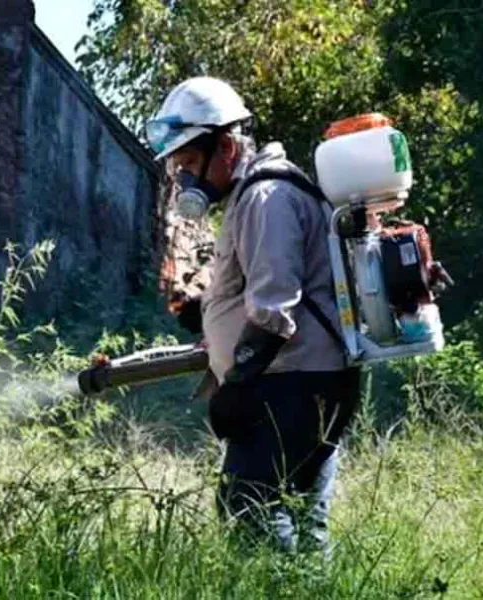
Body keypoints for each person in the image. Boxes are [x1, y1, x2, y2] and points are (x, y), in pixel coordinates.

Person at [145, 76, 361, 556]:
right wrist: (206, 311)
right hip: (309, 378)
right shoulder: (253, 195)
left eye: (189, 164)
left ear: (224, 147)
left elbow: (274, 304)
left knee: (248, 505)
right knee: (304, 520)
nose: (184, 180)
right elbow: (268, 283)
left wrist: (237, 385)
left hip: (293, 383)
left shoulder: (267, 197)